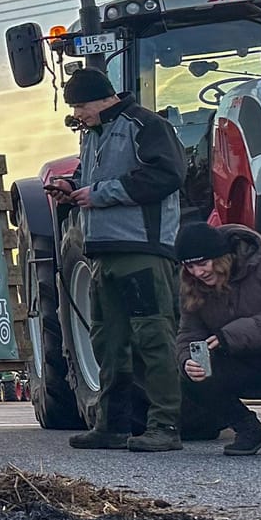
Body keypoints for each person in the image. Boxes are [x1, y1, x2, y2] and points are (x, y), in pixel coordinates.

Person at [42, 67, 186, 452]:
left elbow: (168, 175)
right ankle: (112, 425)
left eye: (82, 105)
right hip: (102, 252)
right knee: (108, 341)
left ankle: (165, 426)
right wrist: (71, 187)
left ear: (106, 98)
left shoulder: (147, 126)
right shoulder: (93, 135)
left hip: (142, 249)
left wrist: (100, 194)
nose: (78, 114)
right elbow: (92, 176)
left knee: (153, 338)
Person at [175, 222, 261, 455]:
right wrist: (187, 361)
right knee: (195, 378)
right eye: (190, 266)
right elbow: (189, 332)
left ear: (222, 256)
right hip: (240, 360)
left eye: (203, 264)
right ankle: (249, 430)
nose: (197, 273)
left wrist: (230, 335)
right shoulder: (192, 284)